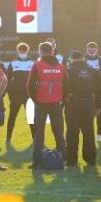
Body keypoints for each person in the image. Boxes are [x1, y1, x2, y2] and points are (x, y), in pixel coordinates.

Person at [27, 41, 66, 169]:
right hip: (56, 103)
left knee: (39, 133)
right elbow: (67, 85)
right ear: (52, 51)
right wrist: (62, 99)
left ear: (40, 51)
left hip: (41, 103)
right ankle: (63, 159)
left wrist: (35, 99)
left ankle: (36, 162)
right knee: (59, 133)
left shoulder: (37, 65)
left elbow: (29, 85)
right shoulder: (61, 66)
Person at [64, 50, 101, 168]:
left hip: (73, 103)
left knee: (72, 132)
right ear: (83, 58)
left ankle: (71, 160)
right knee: (88, 131)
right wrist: (97, 100)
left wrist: (66, 96)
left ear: (71, 59)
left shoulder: (68, 70)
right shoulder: (91, 69)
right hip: (89, 103)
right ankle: (90, 159)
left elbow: (62, 85)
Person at [5, 43, 34, 145]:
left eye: (24, 50)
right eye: (21, 50)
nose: (22, 52)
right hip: (16, 96)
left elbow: (35, 80)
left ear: (27, 51)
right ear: (18, 51)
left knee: (31, 118)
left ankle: (35, 138)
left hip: (29, 96)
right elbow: (7, 80)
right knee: (12, 117)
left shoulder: (32, 63)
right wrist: (10, 96)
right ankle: (8, 138)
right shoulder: (13, 63)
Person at [84, 41, 101, 142]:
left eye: (93, 48)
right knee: (86, 114)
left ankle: (99, 134)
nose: (91, 50)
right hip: (86, 93)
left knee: (99, 114)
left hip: (98, 93)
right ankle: (87, 133)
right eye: (89, 48)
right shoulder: (83, 60)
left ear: (97, 49)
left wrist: (100, 90)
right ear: (87, 49)